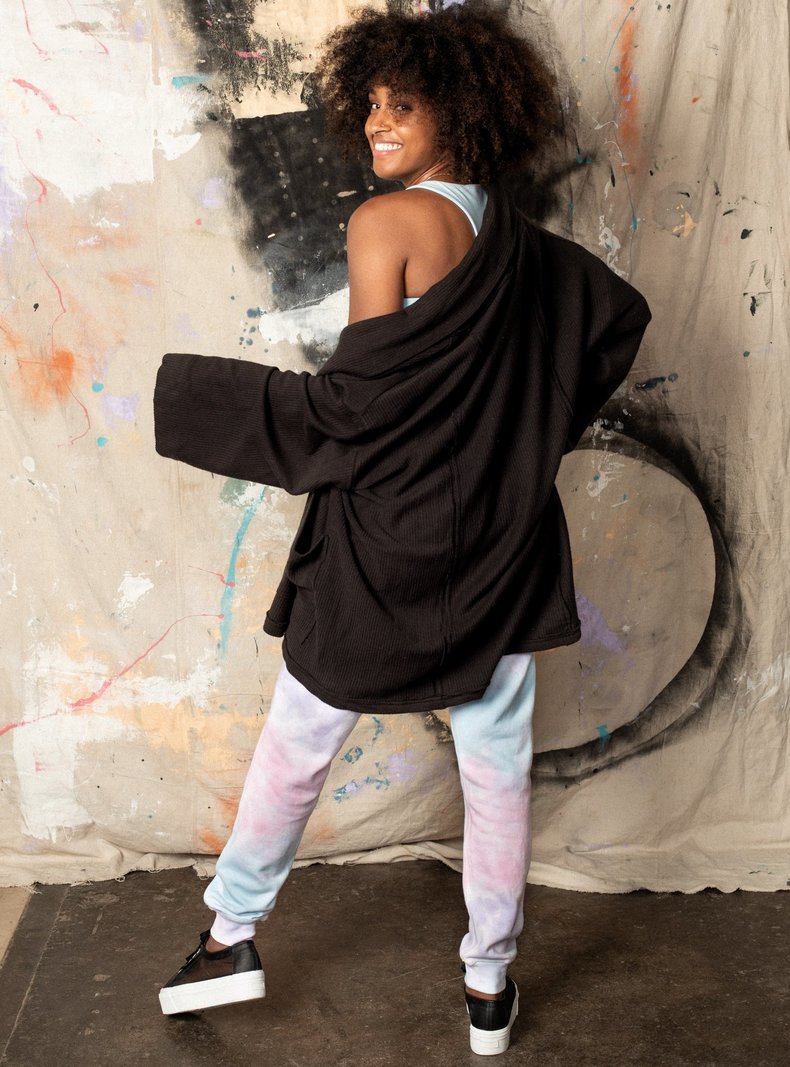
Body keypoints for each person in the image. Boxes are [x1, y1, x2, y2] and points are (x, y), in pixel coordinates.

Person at [153, 3, 651, 1056]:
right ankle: (487, 982)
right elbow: (611, 324)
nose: (377, 122)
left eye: (402, 104)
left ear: (458, 112)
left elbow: (355, 410)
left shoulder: (387, 226)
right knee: (496, 764)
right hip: (506, 542)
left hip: (386, 542)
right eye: (371, 103)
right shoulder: (529, 249)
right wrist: (519, 444)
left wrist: (193, 401)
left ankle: (230, 939)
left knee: (298, 744)